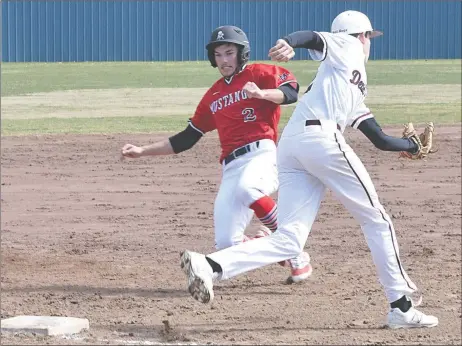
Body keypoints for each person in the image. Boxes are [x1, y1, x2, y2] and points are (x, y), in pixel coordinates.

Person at [179, 11, 439, 329]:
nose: (369, 43)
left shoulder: (350, 83)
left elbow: (380, 139)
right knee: (377, 220)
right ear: (362, 36)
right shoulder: (349, 45)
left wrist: (411, 147)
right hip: (321, 139)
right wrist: (289, 42)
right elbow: (313, 37)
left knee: (289, 240)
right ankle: (401, 306)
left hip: (293, 146)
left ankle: (209, 265)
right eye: (369, 37)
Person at [121, 25, 312, 283]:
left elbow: (290, 92)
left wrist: (261, 93)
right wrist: (143, 151)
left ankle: (295, 251)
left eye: (229, 53)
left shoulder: (260, 73)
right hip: (231, 167)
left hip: (262, 154)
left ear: (241, 54)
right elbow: (187, 137)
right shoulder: (214, 94)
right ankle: (269, 244)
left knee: (249, 190)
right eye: (219, 54)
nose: (224, 60)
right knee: (226, 244)